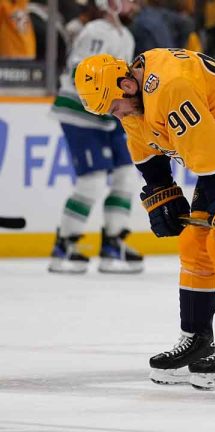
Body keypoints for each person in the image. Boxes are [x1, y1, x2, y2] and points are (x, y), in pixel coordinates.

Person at [74, 48, 215, 390]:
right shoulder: (132, 96)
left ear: (126, 84)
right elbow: (150, 156)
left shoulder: (170, 86)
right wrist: (161, 192)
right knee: (194, 241)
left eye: (113, 106)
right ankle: (197, 339)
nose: (116, 114)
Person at [49, 0, 143, 274]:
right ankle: (64, 245)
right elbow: (78, 70)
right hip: (80, 113)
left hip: (109, 115)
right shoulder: (95, 31)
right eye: (130, 1)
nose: (134, 6)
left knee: (126, 173)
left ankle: (113, 243)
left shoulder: (126, 36)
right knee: (92, 181)